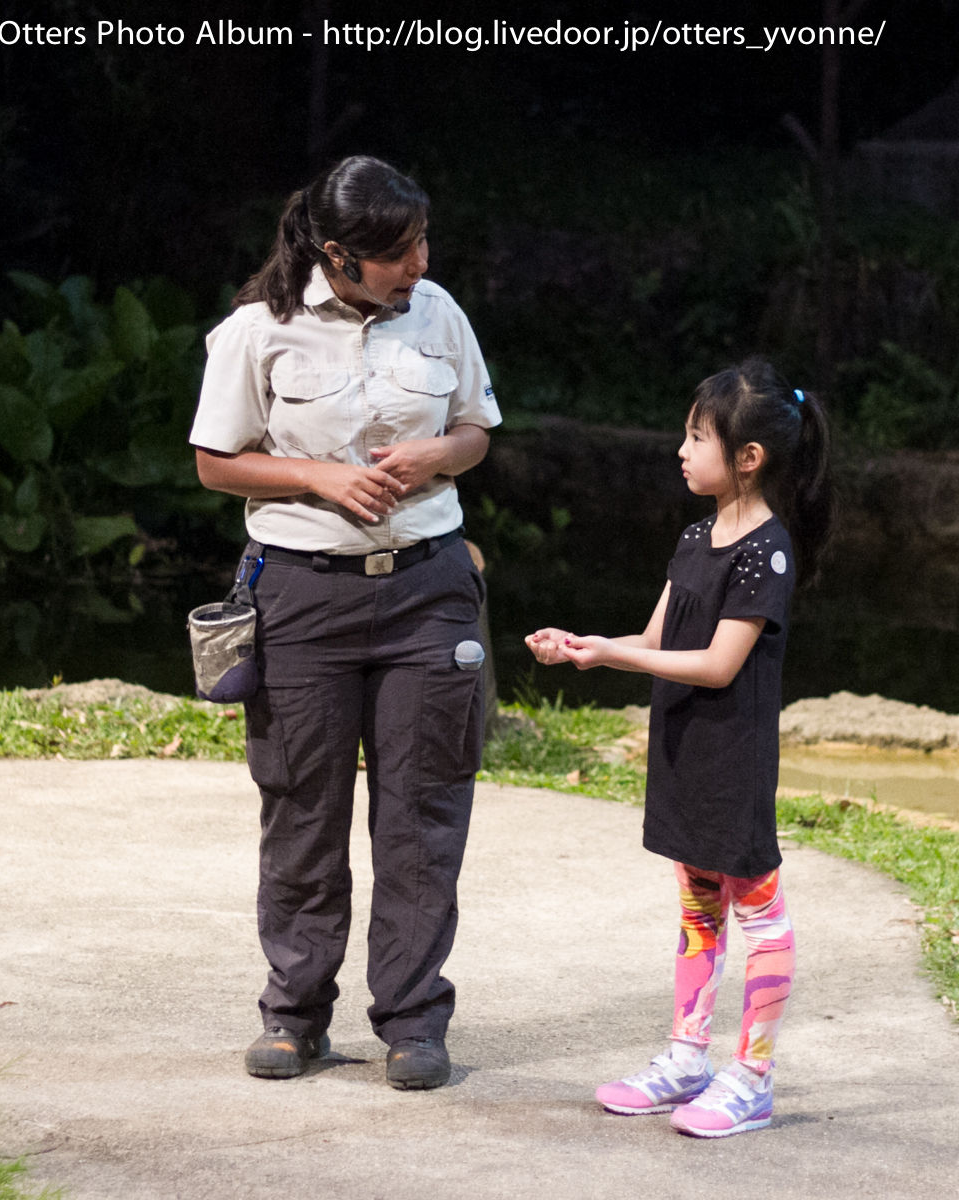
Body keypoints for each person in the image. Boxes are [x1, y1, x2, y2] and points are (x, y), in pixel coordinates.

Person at [190, 155, 501, 1090]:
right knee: (302, 809)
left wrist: (438, 453)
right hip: (303, 595)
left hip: (427, 589)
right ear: (337, 253)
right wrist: (318, 476)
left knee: (423, 813)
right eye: (398, 252)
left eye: (421, 243)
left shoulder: (438, 312)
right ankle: (294, 1014)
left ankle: (413, 1021)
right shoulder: (259, 329)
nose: (418, 264)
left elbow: (477, 429)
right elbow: (214, 460)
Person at [525, 358, 832, 1137]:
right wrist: (588, 647)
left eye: (698, 438)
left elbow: (719, 665)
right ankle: (687, 1059)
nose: (681, 450)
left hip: (733, 763)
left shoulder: (768, 551)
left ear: (749, 457)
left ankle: (752, 1079)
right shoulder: (696, 537)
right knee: (698, 910)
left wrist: (615, 656)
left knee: (760, 914)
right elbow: (656, 640)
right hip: (684, 753)